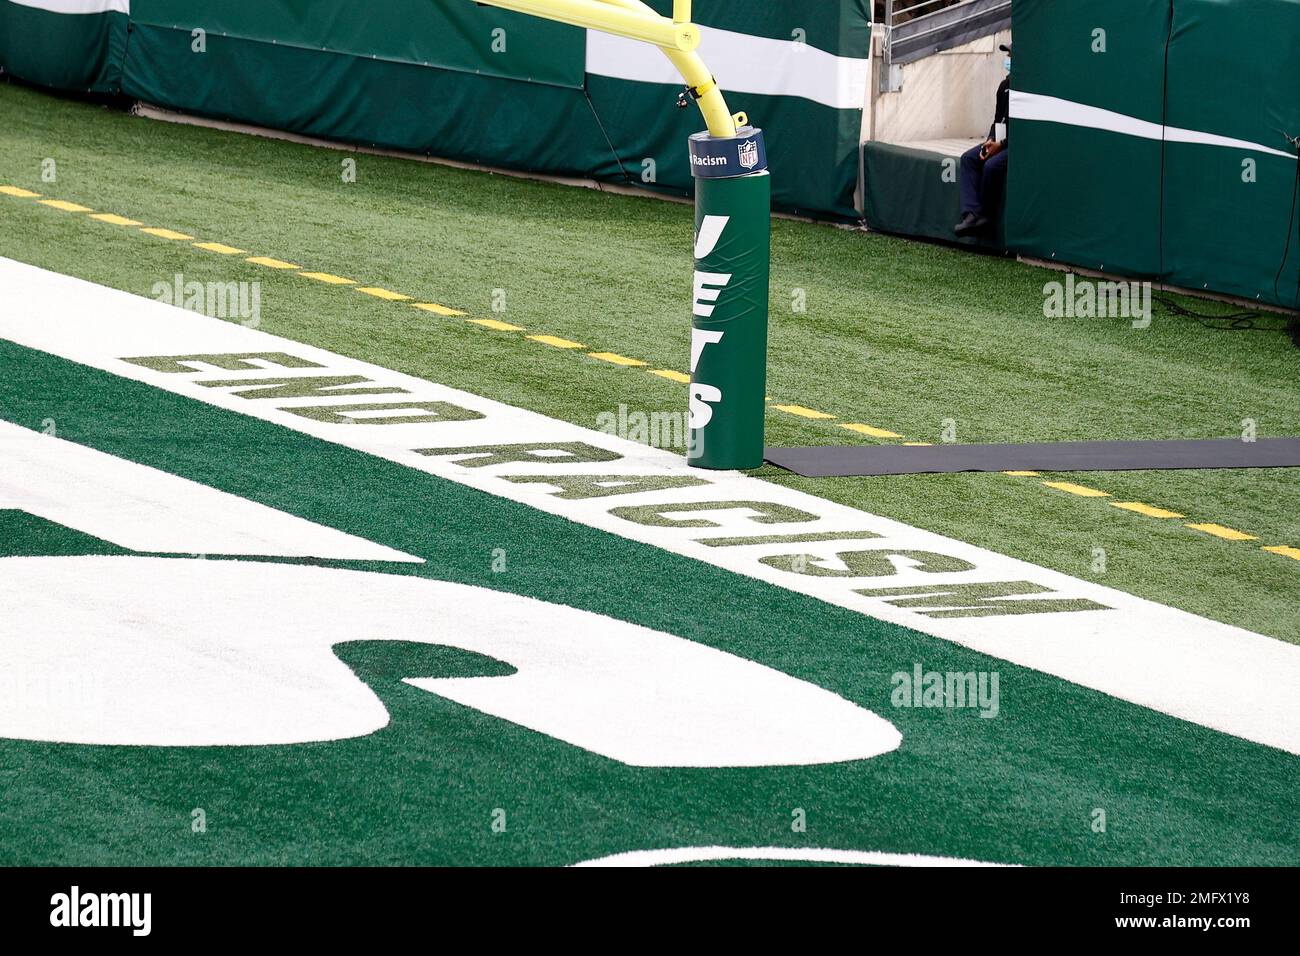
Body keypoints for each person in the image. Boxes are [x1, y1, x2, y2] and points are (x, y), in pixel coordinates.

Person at [954, 44, 1011, 237]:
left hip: (1016, 145)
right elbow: (997, 120)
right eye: (1008, 54)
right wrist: (990, 140)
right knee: (968, 159)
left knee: (991, 166)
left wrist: (1001, 145)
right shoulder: (1004, 86)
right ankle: (971, 215)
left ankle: (986, 216)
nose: (1008, 57)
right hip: (999, 141)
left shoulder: (1028, 90)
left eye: (1011, 54)